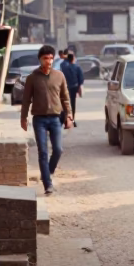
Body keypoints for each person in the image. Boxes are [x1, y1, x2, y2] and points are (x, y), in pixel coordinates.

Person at [20, 45, 73, 196]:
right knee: (43, 152)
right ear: (40, 59)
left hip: (55, 119)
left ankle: (47, 173)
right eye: (45, 58)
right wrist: (23, 118)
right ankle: (48, 185)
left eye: (50, 58)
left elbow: (65, 97)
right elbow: (26, 100)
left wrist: (69, 115)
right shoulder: (32, 78)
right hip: (39, 120)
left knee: (58, 150)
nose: (48, 61)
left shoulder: (59, 76)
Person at [62, 52, 84, 119]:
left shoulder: (64, 68)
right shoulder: (77, 67)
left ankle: (66, 117)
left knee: (66, 102)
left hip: (66, 87)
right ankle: (72, 118)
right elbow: (81, 79)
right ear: (73, 58)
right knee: (73, 103)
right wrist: (79, 87)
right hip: (74, 87)